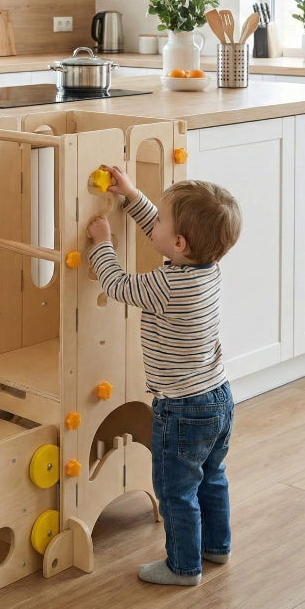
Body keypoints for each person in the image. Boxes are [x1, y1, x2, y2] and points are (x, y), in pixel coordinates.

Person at [86, 166, 242, 586]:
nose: (152, 224)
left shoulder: (165, 286)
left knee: (175, 490)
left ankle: (183, 566)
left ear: (178, 243)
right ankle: (216, 547)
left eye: (161, 221)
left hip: (182, 407)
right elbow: (164, 230)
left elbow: (117, 285)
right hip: (219, 397)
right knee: (212, 477)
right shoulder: (205, 268)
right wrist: (133, 197)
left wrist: (102, 243)